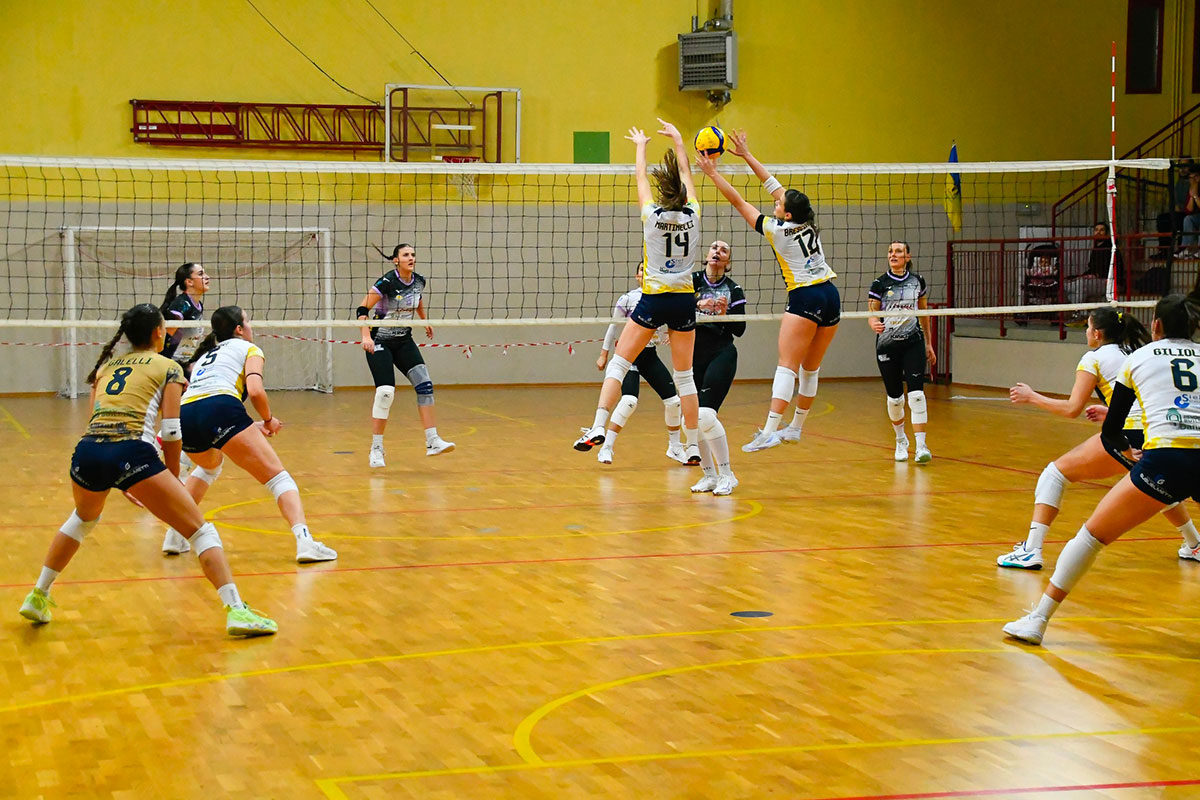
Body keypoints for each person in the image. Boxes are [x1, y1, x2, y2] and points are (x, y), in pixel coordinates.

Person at [18, 303, 276, 637]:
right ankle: (237, 611)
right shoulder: (169, 367)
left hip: (88, 452)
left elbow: (93, 421)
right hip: (132, 452)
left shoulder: (105, 367)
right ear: (158, 332)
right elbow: (171, 430)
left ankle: (38, 594)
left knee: (81, 520)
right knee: (201, 532)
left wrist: (122, 478)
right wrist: (172, 476)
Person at [1004, 295, 1200, 645]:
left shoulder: (1138, 358)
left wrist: (1128, 453)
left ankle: (1037, 620)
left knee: (1091, 537)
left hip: (1165, 458)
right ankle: (1194, 543)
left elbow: (1111, 430)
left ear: (1156, 325)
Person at [573, 119, 737, 496]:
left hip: (652, 298)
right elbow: (687, 176)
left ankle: (598, 425)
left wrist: (640, 147)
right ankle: (692, 448)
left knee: (619, 363)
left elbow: (640, 178)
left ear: (662, 194)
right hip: (682, 300)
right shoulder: (694, 214)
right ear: (683, 194)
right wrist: (679, 141)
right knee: (685, 379)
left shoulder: (651, 216)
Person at [695, 129, 840, 453]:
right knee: (810, 368)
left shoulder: (778, 231)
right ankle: (796, 427)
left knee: (787, 365)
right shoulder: (808, 220)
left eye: (779, 204)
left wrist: (713, 174)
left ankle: (771, 431)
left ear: (787, 214)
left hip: (805, 296)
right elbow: (773, 184)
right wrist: (746, 155)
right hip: (831, 294)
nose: (776, 201)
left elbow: (739, 202)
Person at [159, 305, 338, 564]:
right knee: (278, 478)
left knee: (209, 468)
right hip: (220, 408)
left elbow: (209, 406)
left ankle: (175, 534)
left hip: (185, 414)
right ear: (239, 329)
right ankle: (306, 542)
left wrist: (249, 426)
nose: (251, 326)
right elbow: (254, 391)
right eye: (248, 321)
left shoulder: (204, 356)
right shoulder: (249, 348)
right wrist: (268, 420)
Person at [356, 243, 454, 468]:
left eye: (413, 255)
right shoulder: (387, 282)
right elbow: (362, 310)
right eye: (406, 255)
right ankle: (376, 448)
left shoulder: (419, 281)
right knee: (385, 393)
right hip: (380, 340)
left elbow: (417, 299)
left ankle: (432, 441)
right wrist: (366, 336)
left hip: (404, 340)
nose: (411, 258)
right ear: (396, 260)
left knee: (425, 385)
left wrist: (424, 320)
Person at [593, 265, 695, 466]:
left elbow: (671, 321)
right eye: (641, 270)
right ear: (637, 276)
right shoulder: (628, 298)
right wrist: (603, 354)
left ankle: (675, 447)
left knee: (674, 401)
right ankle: (606, 447)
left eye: (646, 269)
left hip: (649, 355)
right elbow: (613, 327)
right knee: (629, 401)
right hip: (630, 355)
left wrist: (671, 334)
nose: (644, 272)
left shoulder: (661, 297)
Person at [867, 241, 936, 463]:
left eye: (898, 251)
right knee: (895, 399)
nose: (893, 254)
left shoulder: (918, 281)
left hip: (913, 342)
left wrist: (928, 343)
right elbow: (871, 314)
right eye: (890, 251)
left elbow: (923, 312)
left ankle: (921, 446)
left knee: (916, 395)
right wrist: (874, 323)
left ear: (907, 256)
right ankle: (900, 440)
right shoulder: (879, 284)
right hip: (887, 345)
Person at [688, 239, 747, 492]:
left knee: (705, 414)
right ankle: (709, 476)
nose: (717, 252)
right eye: (714, 248)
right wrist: (696, 305)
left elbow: (740, 329)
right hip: (692, 355)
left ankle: (727, 474)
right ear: (706, 254)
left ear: (727, 261)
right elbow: (674, 310)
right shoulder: (691, 282)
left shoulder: (734, 289)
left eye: (723, 250)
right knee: (690, 420)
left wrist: (725, 315)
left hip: (721, 353)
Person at [160, 262, 210, 366]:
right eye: (200, 274)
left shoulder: (199, 305)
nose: (207, 277)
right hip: (170, 362)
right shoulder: (181, 305)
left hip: (183, 362)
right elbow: (164, 338)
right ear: (189, 282)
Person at [1064, 222, 1124, 307]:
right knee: (1067, 284)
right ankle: (1077, 309)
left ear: (1106, 233)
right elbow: (1092, 268)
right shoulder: (1096, 248)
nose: (1098, 232)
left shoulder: (1111, 249)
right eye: (1096, 230)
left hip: (1109, 282)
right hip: (1097, 279)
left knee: (1080, 285)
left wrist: (1102, 276)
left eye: (1101, 230)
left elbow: (1117, 267)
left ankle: (1078, 310)